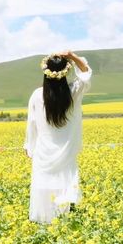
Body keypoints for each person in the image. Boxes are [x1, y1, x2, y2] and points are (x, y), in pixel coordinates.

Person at [23, 50, 92, 224]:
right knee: (63, 186)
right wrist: (72, 56)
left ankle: (44, 222)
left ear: (46, 72)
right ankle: (62, 222)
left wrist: (29, 146)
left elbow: (31, 124)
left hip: (43, 151)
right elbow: (85, 73)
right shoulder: (73, 92)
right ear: (65, 72)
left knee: (43, 187)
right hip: (66, 151)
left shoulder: (37, 95)